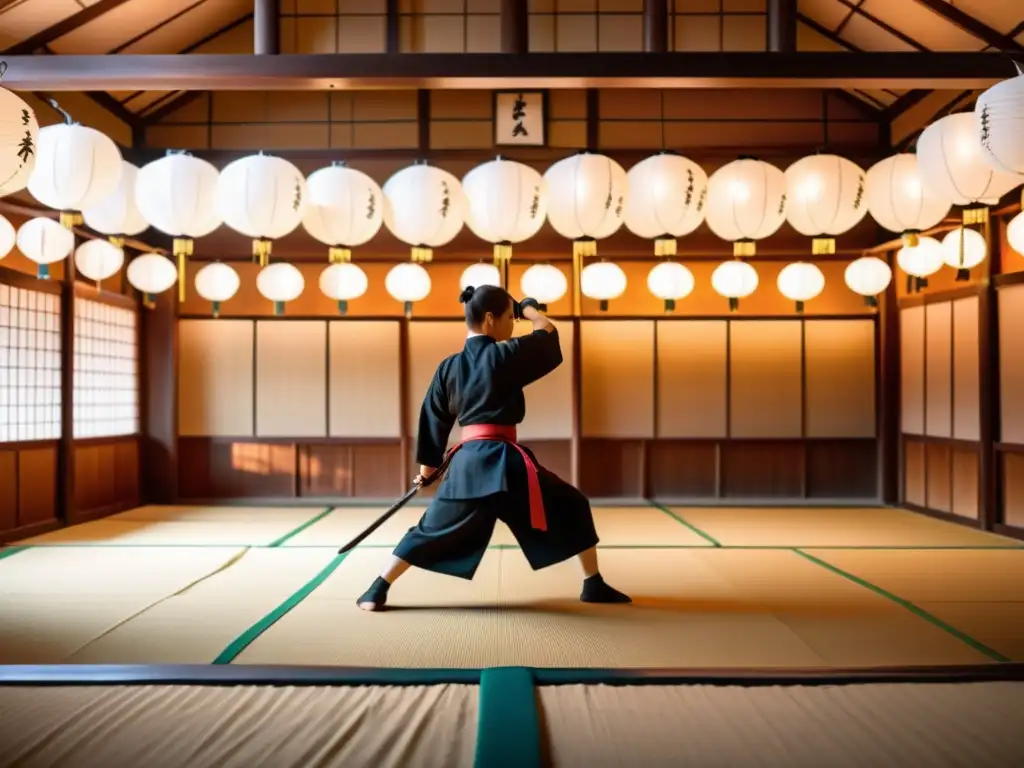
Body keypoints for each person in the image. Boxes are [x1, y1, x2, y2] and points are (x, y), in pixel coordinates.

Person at [356, 284, 631, 611]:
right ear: (490, 319)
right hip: (509, 464)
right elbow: (548, 334)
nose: (513, 325)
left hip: (470, 465)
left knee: (432, 528)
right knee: (571, 504)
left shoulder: (449, 367)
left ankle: (378, 587)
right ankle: (593, 583)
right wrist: (528, 307)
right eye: (509, 318)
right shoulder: (506, 354)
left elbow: (433, 420)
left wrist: (426, 473)